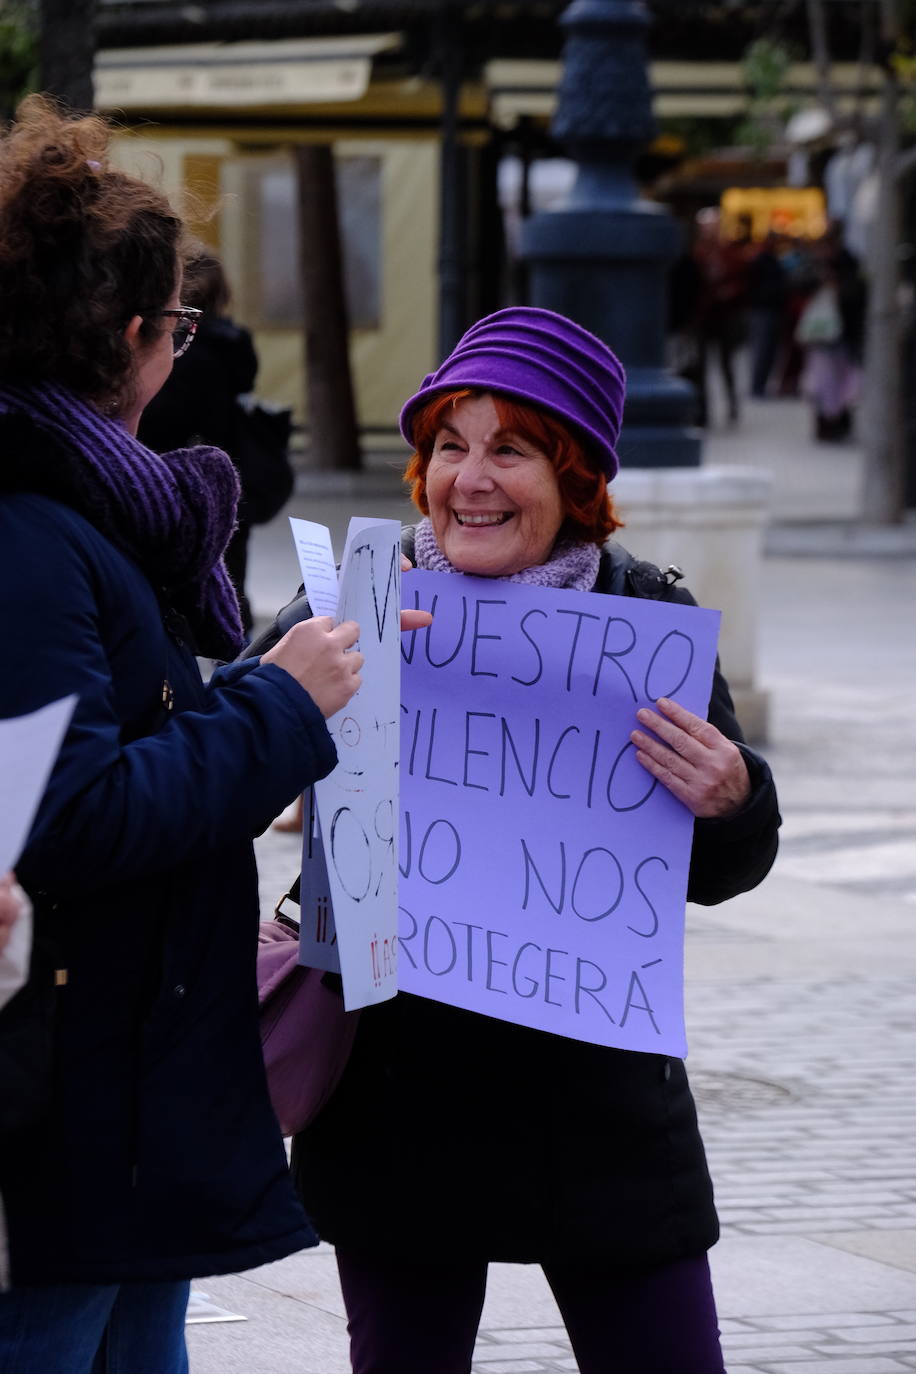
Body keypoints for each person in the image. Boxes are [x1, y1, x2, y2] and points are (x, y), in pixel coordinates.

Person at [256, 307, 781, 1373]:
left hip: (596, 1115)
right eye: (450, 446)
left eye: (512, 450)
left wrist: (732, 796)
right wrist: (279, 712)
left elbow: (723, 870)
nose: (471, 479)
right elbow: (219, 755)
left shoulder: (647, 618)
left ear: (576, 477)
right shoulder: (353, 608)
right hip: (400, 1102)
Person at [0, 95, 427, 1373]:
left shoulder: (87, 508)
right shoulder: (32, 530)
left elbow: (130, 741)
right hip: (67, 1093)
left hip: (126, 1081)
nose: (181, 352)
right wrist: (278, 703)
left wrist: (264, 703)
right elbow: (67, 817)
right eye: (177, 328)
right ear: (134, 334)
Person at [138, 247, 266, 633]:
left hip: (162, 454)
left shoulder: (168, 344)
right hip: (227, 456)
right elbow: (245, 385)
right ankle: (231, 621)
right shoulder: (234, 342)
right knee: (233, 546)